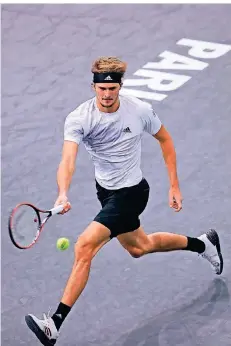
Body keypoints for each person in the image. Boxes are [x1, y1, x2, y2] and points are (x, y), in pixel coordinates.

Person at [25, 57, 223, 346]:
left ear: (120, 87)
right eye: (102, 89)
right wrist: (62, 192)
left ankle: (53, 324)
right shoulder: (79, 118)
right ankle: (203, 243)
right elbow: (68, 159)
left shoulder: (139, 111)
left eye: (113, 89)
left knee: (84, 246)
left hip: (132, 194)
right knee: (140, 247)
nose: (107, 95)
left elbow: (165, 140)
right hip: (105, 192)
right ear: (93, 87)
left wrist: (174, 186)